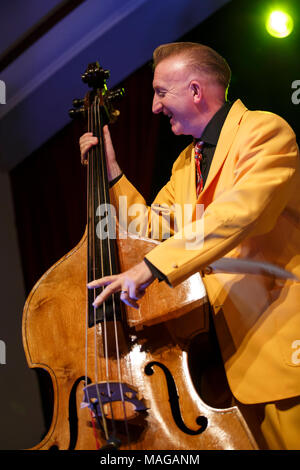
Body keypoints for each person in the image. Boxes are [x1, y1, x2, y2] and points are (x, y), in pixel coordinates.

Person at [79, 42, 300, 450]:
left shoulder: (265, 131)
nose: (154, 107)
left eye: (161, 93)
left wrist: (151, 268)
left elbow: (236, 214)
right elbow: (153, 226)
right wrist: (111, 172)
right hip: (228, 369)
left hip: (285, 351)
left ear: (195, 91)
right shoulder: (186, 164)